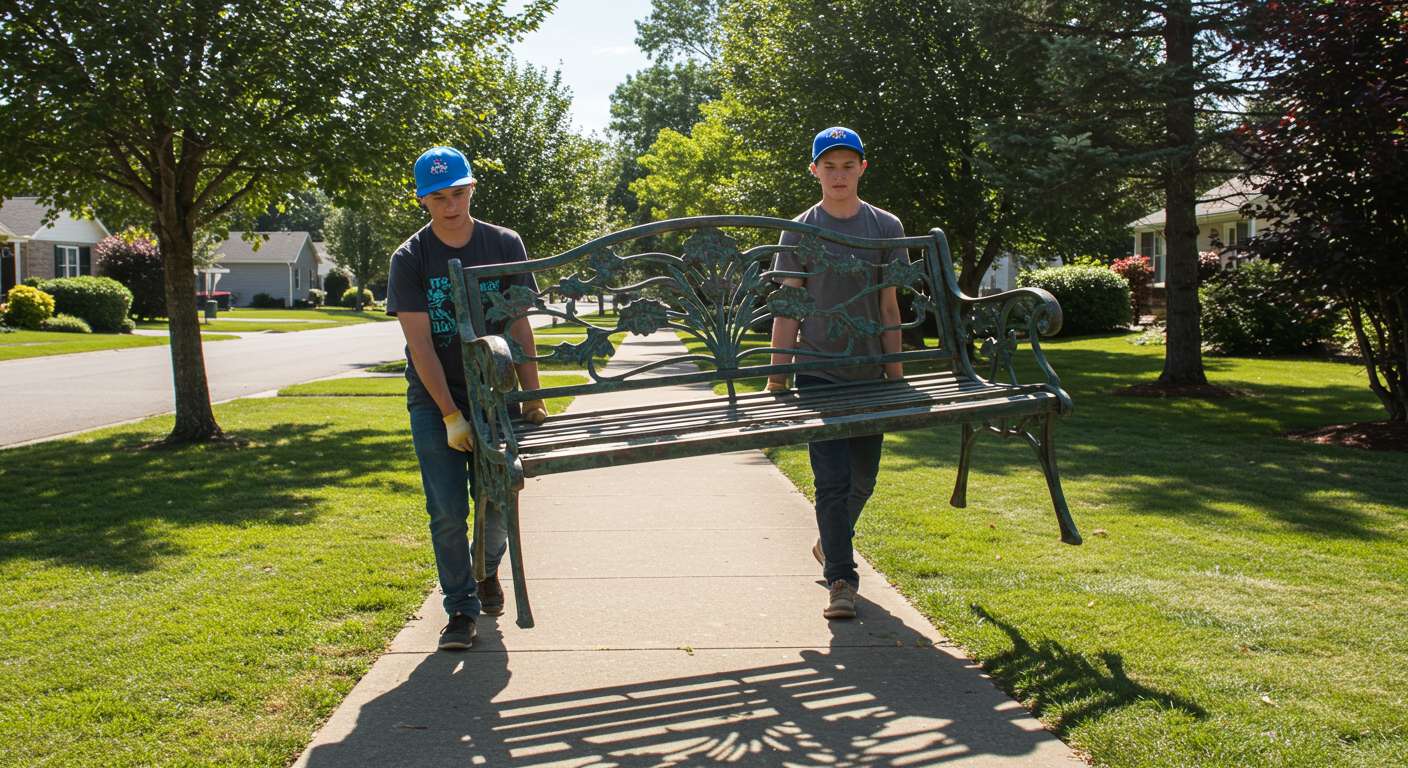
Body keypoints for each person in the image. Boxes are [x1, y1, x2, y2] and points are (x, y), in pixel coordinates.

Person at [386, 146, 548, 650]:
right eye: (438, 197)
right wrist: (451, 414)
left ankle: (486, 571)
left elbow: (519, 322)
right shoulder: (410, 259)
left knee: (499, 500)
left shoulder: (503, 242)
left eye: (458, 193)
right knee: (448, 509)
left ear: (472, 189)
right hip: (437, 398)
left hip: (496, 396)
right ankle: (459, 609)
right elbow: (419, 344)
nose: (450, 205)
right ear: (423, 200)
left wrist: (533, 395)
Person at [767, 127, 905, 620]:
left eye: (849, 165)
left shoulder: (885, 227)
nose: (839, 175)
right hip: (819, 371)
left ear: (863, 168)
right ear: (815, 172)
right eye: (830, 166)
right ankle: (841, 580)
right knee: (831, 480)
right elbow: (788, 305)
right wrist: (777, 376)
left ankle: (831, 541)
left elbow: (890, 305)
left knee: (863, 480)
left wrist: (896, 375)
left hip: (869, 373)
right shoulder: (801, 229)